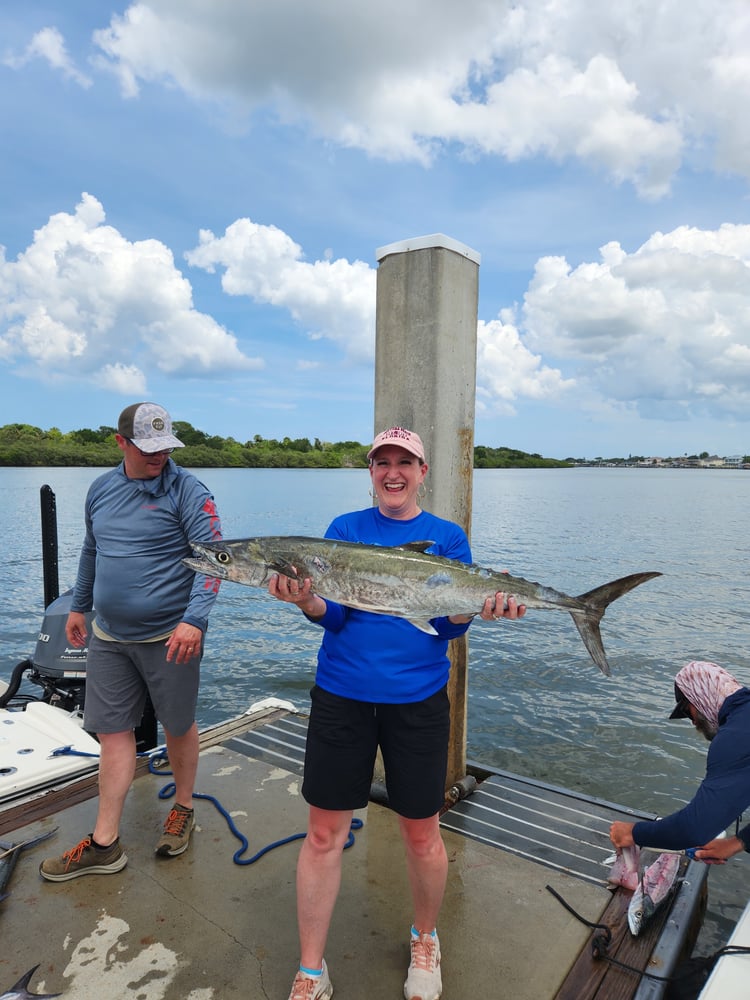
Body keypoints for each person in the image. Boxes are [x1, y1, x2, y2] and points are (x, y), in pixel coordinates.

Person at [269, 426, 526, 1000]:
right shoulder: (343, 533)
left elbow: (444, 625)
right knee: (322, 834)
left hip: (418, 704)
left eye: (404, 462)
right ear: (371, 472)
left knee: (423, 834)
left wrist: (479, 611)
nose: (393, 472)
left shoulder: (446, 537)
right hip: (342, 697)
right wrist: (307, 599)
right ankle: (311, 969)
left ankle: (426, 939)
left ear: (422, 471)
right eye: (382, 462)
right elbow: (334, 616)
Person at [40, 402, 222, 882]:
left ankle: (183, 808)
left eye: (166, 446)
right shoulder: (101, 489)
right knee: (112, 732)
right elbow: (92, 549)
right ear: (121, 443)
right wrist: (79, 606)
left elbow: (214, 561)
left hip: (171, 637)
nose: (159, 455)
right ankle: (105, 843)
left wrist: (195, 620)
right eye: (147, 447)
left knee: (178, 725)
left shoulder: (190, 492)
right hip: (108, 636)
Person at [609, 660, 750, 864]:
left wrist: (633, 832)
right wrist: (738, 842)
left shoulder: (734, 739)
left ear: (698, 696)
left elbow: (694, 828)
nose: (693, 722)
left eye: (686, 711)